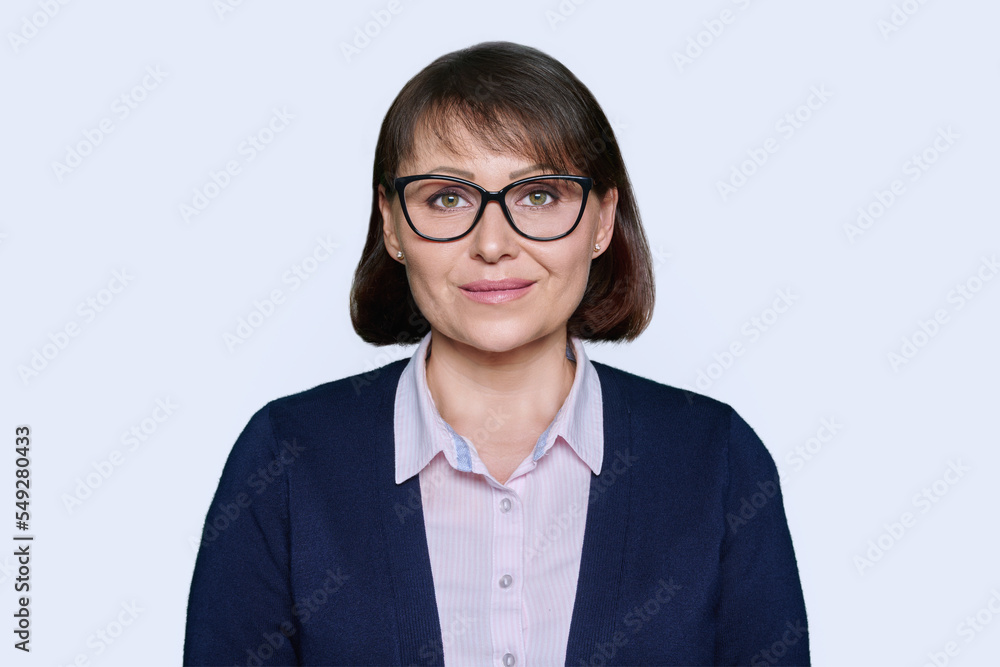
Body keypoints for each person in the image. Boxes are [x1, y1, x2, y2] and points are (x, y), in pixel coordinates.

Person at [183, 40, 809, 666]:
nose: (492, 243)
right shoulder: (286, 459)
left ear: (601, 221)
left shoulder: (715, 458)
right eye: (446, 198)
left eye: (538, 195)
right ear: (393, 225)